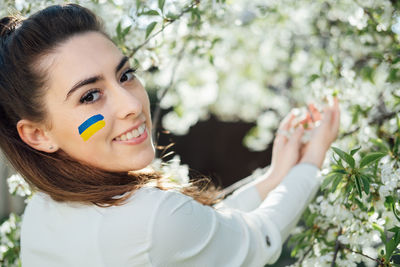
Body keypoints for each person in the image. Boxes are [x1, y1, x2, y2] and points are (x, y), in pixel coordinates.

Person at [0, 3, 340, 267]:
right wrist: (311, 162)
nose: (131, 104)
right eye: (90, 96)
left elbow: (209, 231)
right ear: (37, 134)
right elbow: (257, 240)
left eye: (126, 74)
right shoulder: (151, 215)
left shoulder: (41, 210)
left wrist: (276, 176)